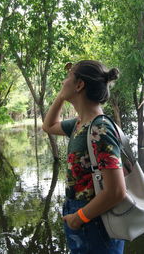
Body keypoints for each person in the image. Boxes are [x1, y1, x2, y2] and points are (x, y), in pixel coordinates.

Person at [42, 60, 125, 253]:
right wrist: (61, 96)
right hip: (83, 216)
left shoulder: (99, 129)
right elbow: (48, 126)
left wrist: (78, 218)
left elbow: (116, 191)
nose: (63, 82)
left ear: (79, 85)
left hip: (95, 221)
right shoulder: (80, 125)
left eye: (68, 77)